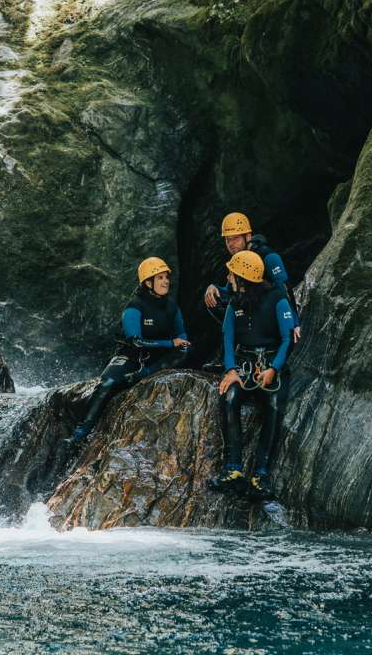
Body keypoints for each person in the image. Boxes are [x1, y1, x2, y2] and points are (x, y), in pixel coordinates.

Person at [66, 257, 191, 448]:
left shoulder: (172, 307)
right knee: (107, 383)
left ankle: (144, 375)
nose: (166, 281)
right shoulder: (134, 307)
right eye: (160, 278)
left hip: (154, 360)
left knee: (186, 349)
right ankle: (80, 432)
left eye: (166, 277)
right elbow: (136, 342)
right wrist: (170, 343)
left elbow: (182, 337)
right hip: (131, 355)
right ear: (148, 283)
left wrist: (178, 343)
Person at [208, 249, 295, 498]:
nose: (228, 277)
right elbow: (227, 337)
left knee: (274, 406)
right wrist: (231, 370)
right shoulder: (234, 303)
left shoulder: (277, 299)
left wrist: (273, 369)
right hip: (245, 363)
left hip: (270, 361)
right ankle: (233, 469)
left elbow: (288, 338)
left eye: (232, 274)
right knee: (229, 397)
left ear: (243, 278)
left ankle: (261, 475)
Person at [203, 211, 301, 344]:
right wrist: (214, 288)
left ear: (248, 236)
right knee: (213, 299)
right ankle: (241, 342)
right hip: (253, 313)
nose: (231, 244)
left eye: (236, 238)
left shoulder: (268, 256)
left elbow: (284, 288)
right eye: (227, 240)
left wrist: (294, 323)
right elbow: (230, 293)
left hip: (271, 311)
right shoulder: (238, 259)